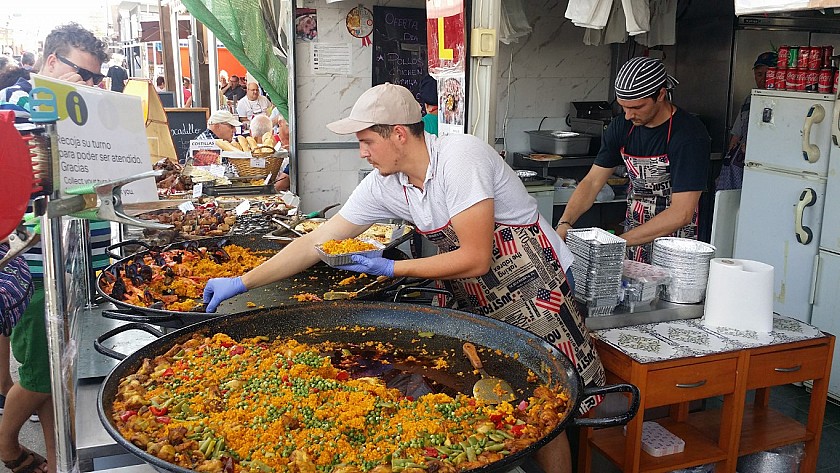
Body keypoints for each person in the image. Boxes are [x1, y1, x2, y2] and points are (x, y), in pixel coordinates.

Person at [203, 83, 605, 473]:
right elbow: (316, 242)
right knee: (470, 386)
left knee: (545, 396)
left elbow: (477, 256)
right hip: (468, 286)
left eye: (367, 142)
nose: (362, 154)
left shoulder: (460, 158)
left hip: (531, 284)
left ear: (398, 134)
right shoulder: (385, 185)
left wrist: (391, 267)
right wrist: (243, 281)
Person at [0, 23, 109, 473]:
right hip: (36, 264)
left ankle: (58, 460)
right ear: (50, 63)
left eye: (94, 79)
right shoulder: (16, 107)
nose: (87, 86)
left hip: (78, 259)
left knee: (63, 370)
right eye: (80, 74)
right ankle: (6, 446)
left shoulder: (80, 107)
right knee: (42, 372)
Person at [557, 56, 710, 263]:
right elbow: (592, 182)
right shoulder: (621, 127)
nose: (628, 115)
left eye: (637, 107)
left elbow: (681, 213)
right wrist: (565, 222)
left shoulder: (688, 134)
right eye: (623, 107)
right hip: (633, 231)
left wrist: (617, 242)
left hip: (676, 244)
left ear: (661, 95)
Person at [718, 51, 776, 191]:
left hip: (767, 166)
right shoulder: (749, 99)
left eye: (768, 74)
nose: (763, 79)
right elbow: (736, 135)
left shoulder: (785, 100)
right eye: (759, 74)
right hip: (743, 164)